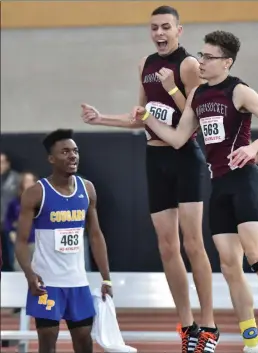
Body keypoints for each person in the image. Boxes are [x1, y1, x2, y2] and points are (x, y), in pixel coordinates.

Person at [131, 30, 258, 353]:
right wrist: (148, 118)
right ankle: (252, 341)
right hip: (219, 185)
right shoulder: (197, 97)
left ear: (226, 62)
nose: (201, 62)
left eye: (208, 57)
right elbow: (180, 139)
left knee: (255, 254)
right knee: (227, 265)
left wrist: (253, 148)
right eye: (201, 55)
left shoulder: (238, 90)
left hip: (245, 180)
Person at [81, 6, 218, 353]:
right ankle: (187, 325)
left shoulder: (188, 65)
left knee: (192, 243)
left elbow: (197, 112)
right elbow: (140, 116)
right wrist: (102, 119)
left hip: (185, 156)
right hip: (154, 157)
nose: (159, 33)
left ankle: (209, 325)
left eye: (166, 27)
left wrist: (172, 89)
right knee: (168, 247)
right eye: (154, 27)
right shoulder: (144, 64)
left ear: (179, 30)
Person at [14, 129, 115, 353]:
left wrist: (106, 279)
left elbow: (96, 235)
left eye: (76, 151)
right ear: (51, 159)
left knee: (84, 343)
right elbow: (20, 242)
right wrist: (30, 275)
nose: (73, 156)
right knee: (47, 346)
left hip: (78, 284)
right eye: (65, 152)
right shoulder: (36, 193)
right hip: (46, 286)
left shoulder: (87, 189)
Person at [4, 171, 37, 271]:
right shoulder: (15, 203)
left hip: (37, 242)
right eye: (26, 181)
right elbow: (8, 220)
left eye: (32, 181)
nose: (29, 183)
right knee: (19, 270)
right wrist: (10, 232)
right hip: (21, 242)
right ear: (22, 184)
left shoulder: (42, 201)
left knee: (38, 270)